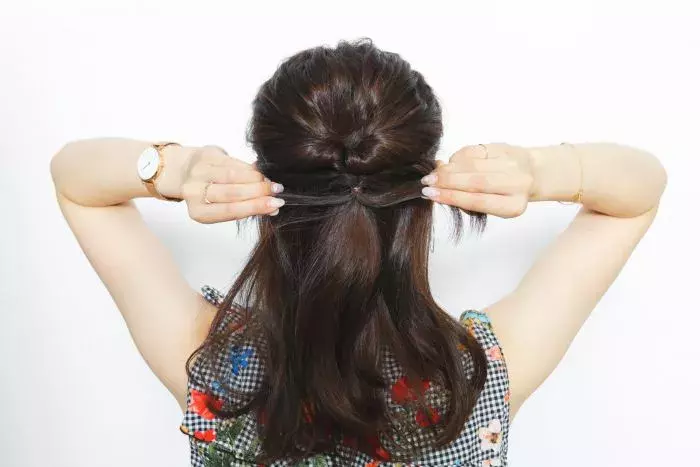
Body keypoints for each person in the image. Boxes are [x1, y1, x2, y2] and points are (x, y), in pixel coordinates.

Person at [50, 39, 667, 466]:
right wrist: (537, 171)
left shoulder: (215, 373)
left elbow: (76, 183)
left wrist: (172, 169)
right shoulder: (476, 382)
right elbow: (638, 194)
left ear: (269, 189)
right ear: (420, 195)